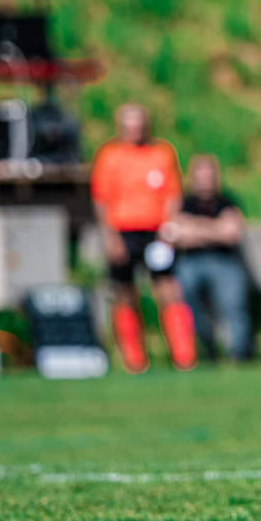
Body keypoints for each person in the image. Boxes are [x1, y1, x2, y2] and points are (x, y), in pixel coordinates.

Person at [90, 104, 197, 374]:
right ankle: (134, 360)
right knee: (125, 294)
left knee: (168, 289)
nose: (135, 129)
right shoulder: (110, 155)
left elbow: (173, 193)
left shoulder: (161, 153)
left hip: (155, 231)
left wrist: (168, 229)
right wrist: (110, 238)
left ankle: (184, 357)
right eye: (129, 124)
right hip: (123, 229)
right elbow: (102, 200)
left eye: (139, 123)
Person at [166, 155, 254, 362]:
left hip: (224, 260)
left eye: (209, 175)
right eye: (201, 176)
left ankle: (242, 354)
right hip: (192, 261)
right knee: (186, 296)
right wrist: (216, 229)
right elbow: (178, 236)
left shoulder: (227, 201)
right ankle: (207, 349)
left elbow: (232, 234)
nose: (205, 181)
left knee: (233, 301)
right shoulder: (185, 202)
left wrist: (194, 228)